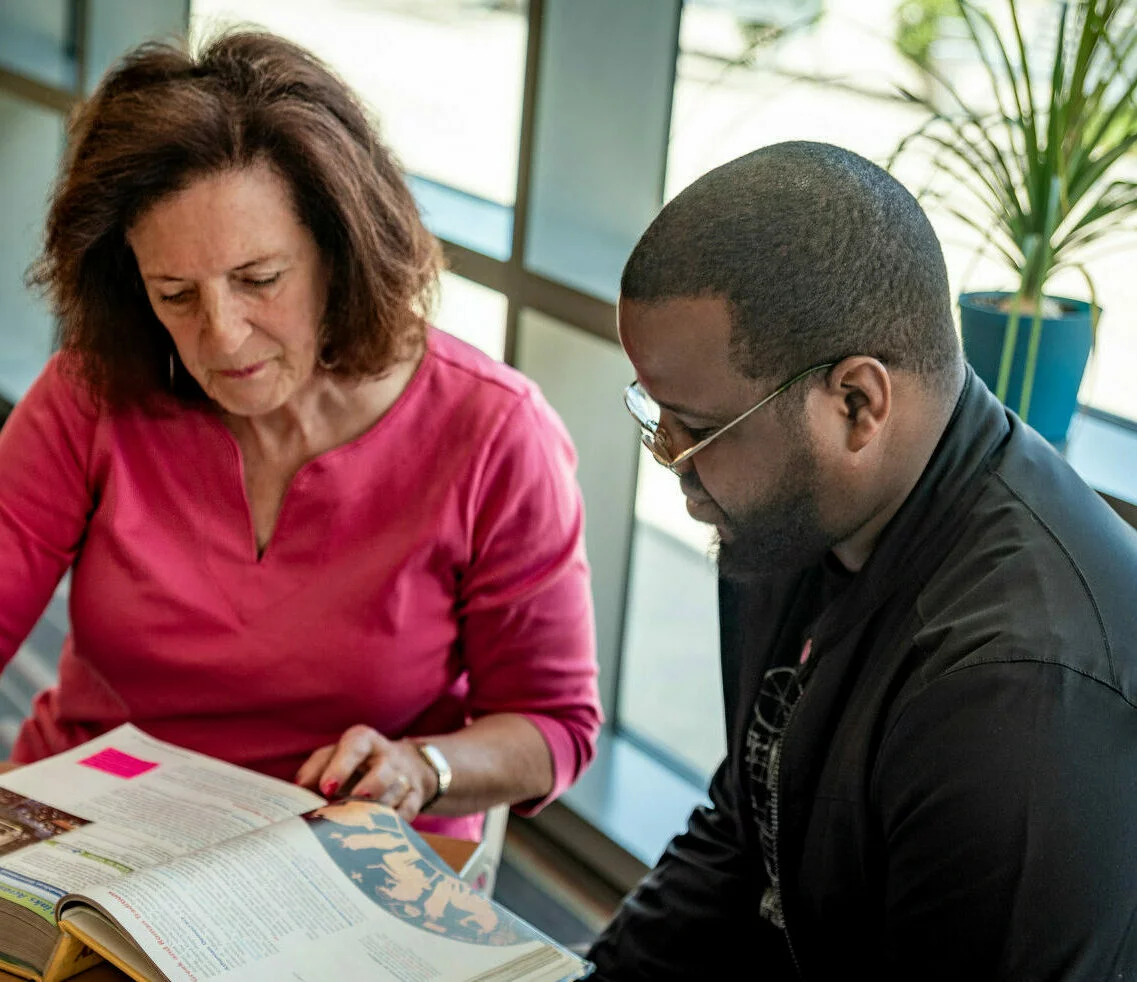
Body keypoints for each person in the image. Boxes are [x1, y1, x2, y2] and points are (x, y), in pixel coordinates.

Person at [0, 30, 602, 844]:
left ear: (339, 249)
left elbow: (552, 725)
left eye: (259, 281)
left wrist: (422, 769)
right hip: (92, 824)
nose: (221, 338)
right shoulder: (93, 390)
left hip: (344, 852)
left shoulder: (494, 431)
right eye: (175, 294)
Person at [586, 141, 1137, 979]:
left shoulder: (1017, 696)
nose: (669, 456)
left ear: (856, 403)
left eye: (696, 426)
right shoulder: (793, 511)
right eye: (656, 413)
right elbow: (748, 824)